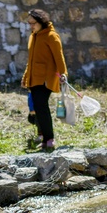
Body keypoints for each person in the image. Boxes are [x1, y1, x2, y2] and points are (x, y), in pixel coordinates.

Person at [21, 9, 67, 152]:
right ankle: (43, 137)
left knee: (41, 106)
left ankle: (50, 139)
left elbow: (59, 58)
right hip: (34, 78)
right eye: (29, 24)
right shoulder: (33, 36)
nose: (31, 26)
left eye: (33, 23)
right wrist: (25, 76)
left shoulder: (52, 36)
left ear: (41, 21)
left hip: (46, 78)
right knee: (37, 107)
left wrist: (64, 74)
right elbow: (30, 60)